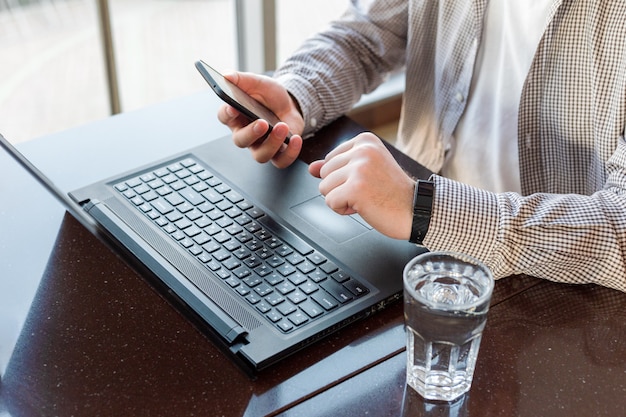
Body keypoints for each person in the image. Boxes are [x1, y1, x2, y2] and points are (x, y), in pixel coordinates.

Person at [218, 0, 626, 293]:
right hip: (418, 244)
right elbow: (367, 34)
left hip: (559, 284)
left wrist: (426, 208)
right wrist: (298, 95)